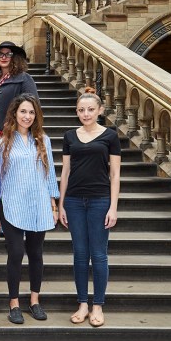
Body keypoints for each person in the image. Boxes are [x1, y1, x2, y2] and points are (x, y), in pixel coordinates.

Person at [0, 93, 59, 325]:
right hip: (12, 204)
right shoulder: (3, 143)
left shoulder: (43, 140)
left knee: (36, 253)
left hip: (38, 204)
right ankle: (14, 303)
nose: (27, 116)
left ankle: (35, 300)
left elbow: (50, 173)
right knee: (16, 253)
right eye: (23, 111)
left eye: (31, 112)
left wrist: (53, 204)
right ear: (15, 113)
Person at [59, 87, 121, 328]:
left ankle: (98, 305)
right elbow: (65, 172)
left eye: (90, 110)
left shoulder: (110, 136)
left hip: (100, 200)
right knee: (80, 254)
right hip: (74, 201)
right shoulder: (69, 136)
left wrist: (113, 207)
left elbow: (114, 175)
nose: (86, 114)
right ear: (77, 112)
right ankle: (83, 303)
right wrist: (61, 204)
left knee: (99, 254)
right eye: (81, 110)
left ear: (100, 110)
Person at [0, 41, 38, 237]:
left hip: (10, 135)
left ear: (16, 58)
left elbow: (33, 108)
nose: (4, 57)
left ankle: (10, 222)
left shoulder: (23, 78)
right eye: (1, 54)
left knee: (10, 180)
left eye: (8, 54)